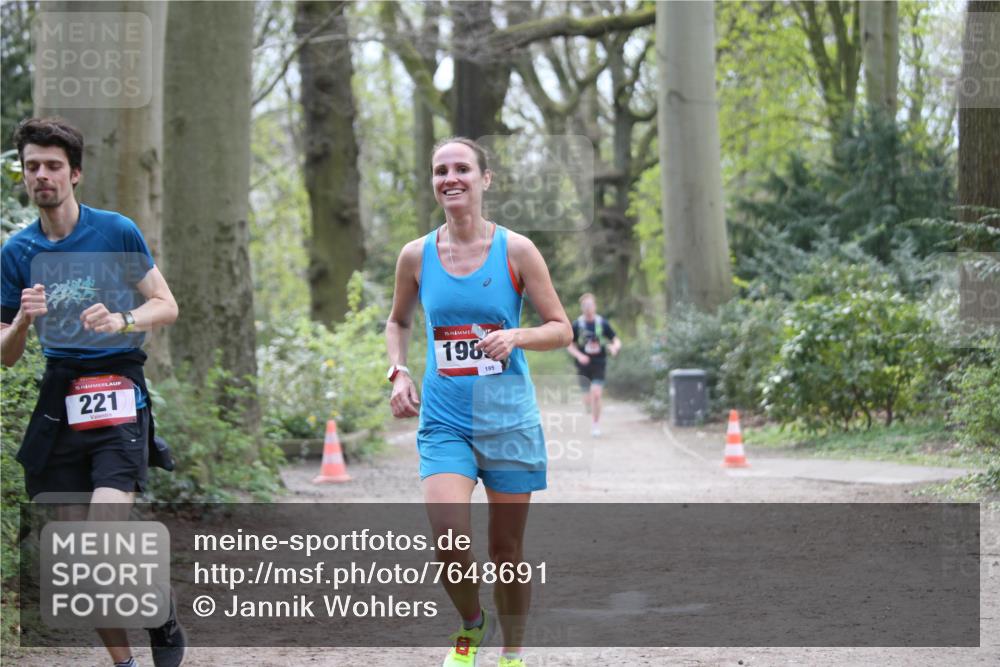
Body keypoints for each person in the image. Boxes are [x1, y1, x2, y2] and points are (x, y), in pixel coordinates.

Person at [1, 118, 185, 667]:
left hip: (117, 390)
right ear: (24, 176)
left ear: (75, 173)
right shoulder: (16, 252)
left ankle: (161, 614)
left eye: (53, 166)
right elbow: (5, 356)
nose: (42, 176)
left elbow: (165, 304)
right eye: (32, 166)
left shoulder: (115, 231)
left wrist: (124, 318)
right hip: (60, 402)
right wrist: (21, 325)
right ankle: (124, 661)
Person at [385, 137, 572, 667]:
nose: (451, 178)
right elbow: (396, 321)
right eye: (440, 169)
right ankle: (471, 624)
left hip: (507, 419)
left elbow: (561, 330)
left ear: (484, 180)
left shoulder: (516, 250)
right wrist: (397, 371)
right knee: (449, 541)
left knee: (506, 554)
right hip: (445, 420)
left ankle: (512, 654)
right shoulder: (416, 255)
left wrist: (516, 337)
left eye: (462, 168)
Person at [567, 293, 622, 437]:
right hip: (583, 365)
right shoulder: (577, 324)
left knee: (596, 394)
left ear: (595, 306)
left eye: (590, 305)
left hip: (599, 363)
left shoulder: (602, 323)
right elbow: (570, 346)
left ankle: (595, 424)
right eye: (585, 305)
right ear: (581, 307)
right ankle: (589, 406)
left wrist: (614, 347)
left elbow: (616, 340)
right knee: (587, 399)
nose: (588, 308)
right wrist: (580, 356)